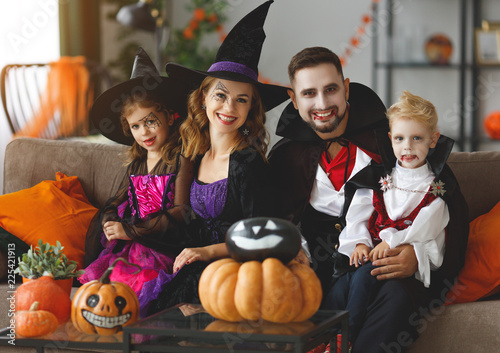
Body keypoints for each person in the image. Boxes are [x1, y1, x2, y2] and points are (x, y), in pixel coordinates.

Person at [268, 47, 469, 353]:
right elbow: (280, 220)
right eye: (309, 93)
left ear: (346, 89)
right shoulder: (285, 157)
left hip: (388, 266)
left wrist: (417, 253)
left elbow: (440, 194)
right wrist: (296, 253)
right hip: (320, 273)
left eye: (331, 89)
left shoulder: (392, 140)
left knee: (395, 296)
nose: (322, 104)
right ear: (294, 99)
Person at [148, 0, 289, 313]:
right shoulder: (195, 155)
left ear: (252, 108)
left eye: (242, 100)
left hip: (236, 271)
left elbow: (261, 238)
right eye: (221, 95)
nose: (229, 108)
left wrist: (206, 252)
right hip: (196, 267)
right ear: (203, 97)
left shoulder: (247, 163)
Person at [324, 91, 451, 345]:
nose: (408, 147)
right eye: (401, 138)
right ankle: (319, 338)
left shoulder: (433, 189)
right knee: (341, 288)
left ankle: (346, 336)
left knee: (364, 278)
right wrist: (359, 242)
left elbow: (425, 228)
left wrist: (391, 242)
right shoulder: (380, 179)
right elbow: (359, 213)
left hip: (395, 263)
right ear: (391, 139)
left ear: (433, 139)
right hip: (370, 256)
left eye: (417, 138)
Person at [81, 48, 195, 317]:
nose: (144, 132)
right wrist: (111, 221)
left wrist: (130, 231)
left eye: (151, 122)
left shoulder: (180, 159)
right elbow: (115, 200)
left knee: (138, 291)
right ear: (128, 130)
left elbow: (180, 212)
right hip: (130, 244)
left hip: (162, 244)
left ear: (169, 117)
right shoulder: (137, 165)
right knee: (105, 290)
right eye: (135, 126)